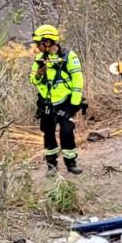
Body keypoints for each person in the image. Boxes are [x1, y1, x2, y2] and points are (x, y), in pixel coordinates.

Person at [30, 24, 85, 175]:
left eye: (39, 44)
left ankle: (71, 163)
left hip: (65, 103)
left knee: (67, 132)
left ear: (48, 42)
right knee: (48, 133)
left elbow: (78, 82)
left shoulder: (69, 57)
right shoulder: (39, 59)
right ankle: (51, 165)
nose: (37, 47)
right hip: (46, 103)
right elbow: (33, 80)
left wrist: (73, 106)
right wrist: (40, 73)